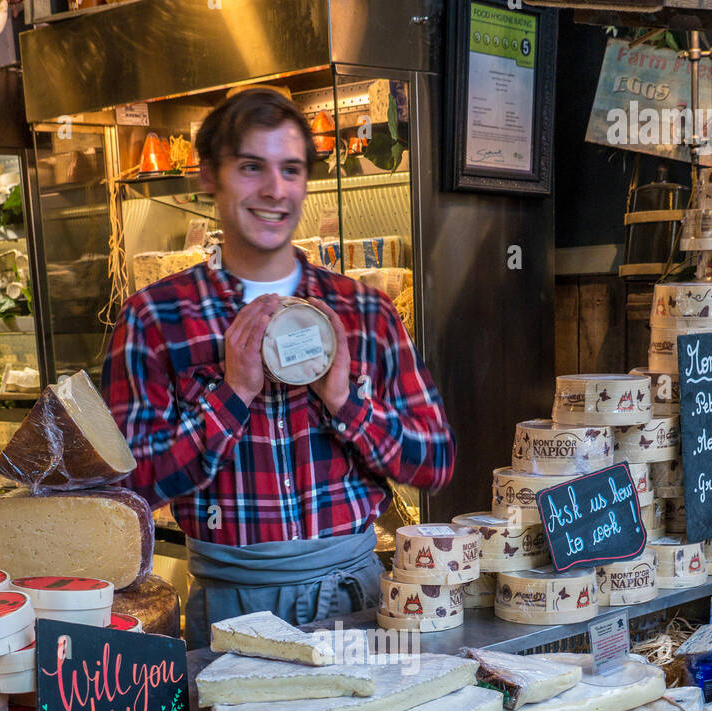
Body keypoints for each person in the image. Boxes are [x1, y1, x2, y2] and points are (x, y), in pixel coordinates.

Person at [101, 86, 456, 649]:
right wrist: (234, 394)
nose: (274, 190)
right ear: (208, 177)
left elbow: (435, 461)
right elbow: (128, 489)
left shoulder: (365, 310)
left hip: (358, 600)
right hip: (232, 608)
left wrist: (345, 401)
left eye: (290, 169)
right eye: (250, 167)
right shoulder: (155, 319)